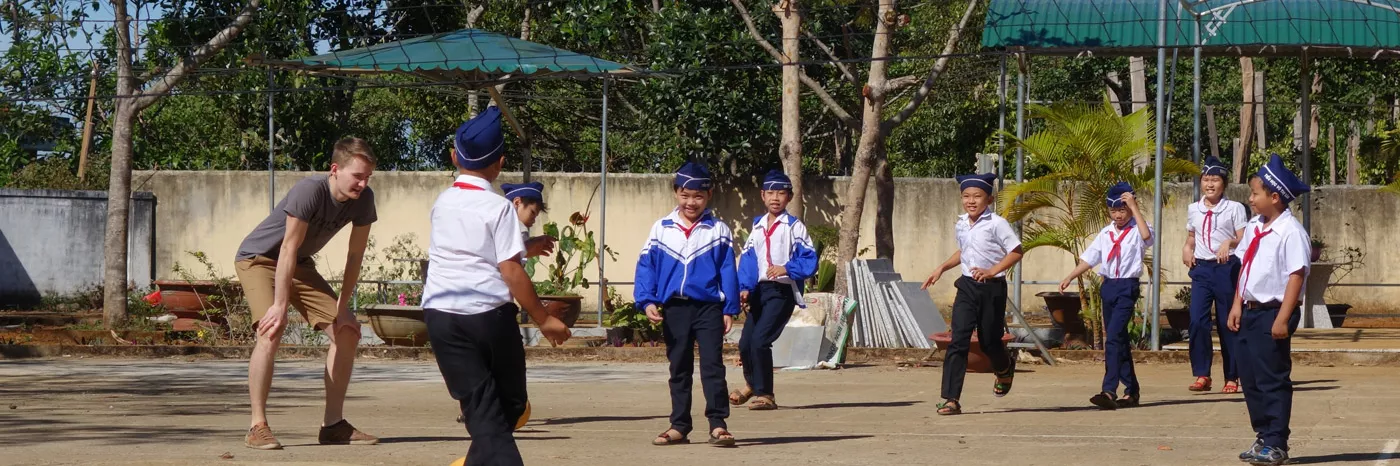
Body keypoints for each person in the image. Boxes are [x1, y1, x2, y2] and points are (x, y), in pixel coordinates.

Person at [421, 107, 571, 466]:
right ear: (500, 162)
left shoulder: (442, 203)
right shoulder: (498, 207)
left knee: (484, 408)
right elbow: (510, 270)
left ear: (454, 157)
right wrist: (543, 318)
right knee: (506, 406)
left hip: (441, 318)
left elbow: (476, 250)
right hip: (487, 318)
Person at [234, 137, 380, 450]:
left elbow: (355, 256)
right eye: (357, 175)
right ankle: (257, 426)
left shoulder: (364, 199)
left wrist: (342, 308)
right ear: (335, 169)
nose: (363, 183)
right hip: (259, 258)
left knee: (349, 331)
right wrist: (280, 305)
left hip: (298, 263)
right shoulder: (309, 190)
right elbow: (287, 246)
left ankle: (333, 425)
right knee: (271, 330)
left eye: (368, 176)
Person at [635, 161, 739, 447]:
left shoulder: (718, 230)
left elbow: (728, 270)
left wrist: (730, 308)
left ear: (709, 195)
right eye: (685, 195)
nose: (691, 202)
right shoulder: (661, 228)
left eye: (698, 196)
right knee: (679, 367)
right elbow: (647, 266)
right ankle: (679, 425)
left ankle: (718, 424)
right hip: (675, 309)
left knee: (712, 367)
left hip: (708, 308)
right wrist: (647, 300)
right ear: (676, 192)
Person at [1228, 154, 1311, 466]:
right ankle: (1262, 436)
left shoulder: (1291, 232)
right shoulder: (1254, 227)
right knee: (1249, 378)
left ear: (1274, 197)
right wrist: (1237, 304)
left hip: (1273, 311)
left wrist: (1282, 317)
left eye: (1254, 194)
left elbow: (1296, 275)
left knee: (1272, 377)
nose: (1250, 199)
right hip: (1250, 310)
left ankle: (1277, 442)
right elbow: (1245, 267)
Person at [920, 172, 1023, 416]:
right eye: (966, 196)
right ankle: (950, 399)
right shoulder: (961, 223)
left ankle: (1004, 367)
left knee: (989, 341)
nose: (971, 201)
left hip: (992, 288)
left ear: (989, 198)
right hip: (966, 286)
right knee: (958, 340)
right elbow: (964, 252)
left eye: (977, 196)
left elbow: (1016, 251)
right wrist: (941, 268)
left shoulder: (997, 223)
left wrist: (992, 271)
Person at [1058, 182, 1154, 410]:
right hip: (1109, 286)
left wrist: (1133, 205)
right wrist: (1070, 276)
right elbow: (1090, 258)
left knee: (1112, 337)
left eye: (1122, 210)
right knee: (1118, 340)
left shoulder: (1138, 228)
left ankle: (1109, 390)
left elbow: (1147, 236)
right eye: (1114, 211)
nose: (1118, 215)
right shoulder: (1106, 232)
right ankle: (1132, 392)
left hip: (1127, 287)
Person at [729, 169, 818, 411]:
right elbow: (748, 259)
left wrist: (786, 268)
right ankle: (752, 385)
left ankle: (766, 394)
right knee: (746, 342)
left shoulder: (794, 226)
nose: (775, 198)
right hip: (759, 292)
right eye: (770, 192)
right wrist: (745, 288)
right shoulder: (757, 226)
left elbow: (810, 259)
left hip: (782, 292)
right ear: (762, 195)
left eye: (781, 193)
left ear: (789, 197)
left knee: (760, 340)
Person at [1183, 156, 1249, 393]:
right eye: (1206, 179)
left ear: (1224, 183)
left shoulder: (1234, 208)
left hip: (1226, 268)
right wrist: (1187, 251)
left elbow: (1244, 237)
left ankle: (1232, 375)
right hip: (1201, 269)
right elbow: (1191, 238)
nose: (1210, 184)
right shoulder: (1194, 209)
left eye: (1215, 180)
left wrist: (1229, 242)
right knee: (1197, 321)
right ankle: (1202, 373)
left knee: (1226, 322)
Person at [501, 181, 557, 261]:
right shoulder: (519, 228)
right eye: (532, 213)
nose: (533, 220)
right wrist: (527, 248)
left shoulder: (499, 223)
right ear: (517, 203)